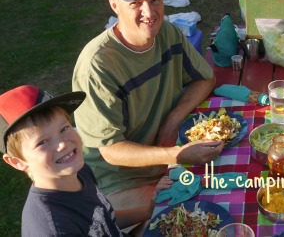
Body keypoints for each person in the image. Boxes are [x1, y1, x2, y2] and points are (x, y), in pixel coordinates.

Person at [71, 0, 223, 230]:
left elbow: (206, 78)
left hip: (167, 153)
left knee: (230, 187)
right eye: (136, 3)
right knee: (191, 214)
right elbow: (112, 152)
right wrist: (175, 155)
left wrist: (173, 119)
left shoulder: (169, 33)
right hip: (119, 179)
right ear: (114, 5)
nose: (149, 12)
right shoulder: (97, 65)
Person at [0, 85, 173, 236]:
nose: (62, 144)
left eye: (64, 128)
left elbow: (104, 220)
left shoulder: (79, 171)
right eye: (42, 142)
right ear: (17, 162)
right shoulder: (53, 227)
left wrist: (148, 211)